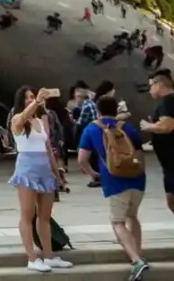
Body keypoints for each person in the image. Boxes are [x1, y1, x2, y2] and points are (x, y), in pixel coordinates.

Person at [78, 96, 149, 280]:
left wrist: (93, 173)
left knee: (117, 221)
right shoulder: (127, 128)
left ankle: (136, 260)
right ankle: (138, 255)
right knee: (132, 216)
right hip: (137, 180)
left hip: (114, 180)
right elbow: (140, 156)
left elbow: (82, 159)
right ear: (116, 110)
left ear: (97, 110)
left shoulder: (92, 128)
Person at [9, 86, 73, 272]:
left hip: (44, 168)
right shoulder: (17, 119)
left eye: (32, 97)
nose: (31, 100)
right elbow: (21, 118)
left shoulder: (39, 120)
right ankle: (32, 258)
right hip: (27, 168)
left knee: (45, 215)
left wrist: (57, 171)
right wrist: (36, 102)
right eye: (27, 98)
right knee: (27, 214)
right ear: (22, 101)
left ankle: (49, 255)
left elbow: (48, 147)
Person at [140, 69, 174, 216]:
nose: (150, 90)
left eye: (151, 85)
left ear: (159, 84)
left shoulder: (168, 102)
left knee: (171, 200)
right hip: (169, 165)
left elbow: (167, 126)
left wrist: (148, 126)